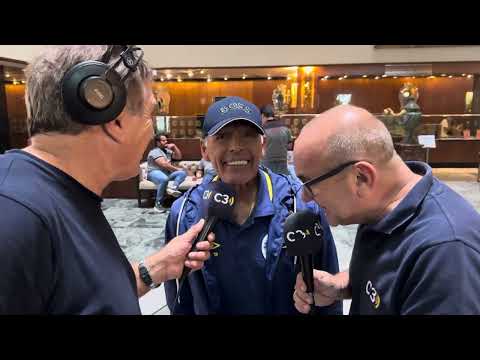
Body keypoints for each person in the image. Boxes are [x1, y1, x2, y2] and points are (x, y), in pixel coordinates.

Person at [0, 45, 213, 314]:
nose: (150, 131)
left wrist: (154, 269)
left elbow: (84, 297)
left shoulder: (62, 195)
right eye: (149, 114)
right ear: (115, 120)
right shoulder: (13, 218)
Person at [292, 104, 480, 315]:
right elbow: (385, 279)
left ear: (361, 177)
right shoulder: (378, 209)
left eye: (310, 183)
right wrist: (340, 286)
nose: (305, 196)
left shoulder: (446, 253)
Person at [164, 96, 342, 315]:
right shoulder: (184, 213)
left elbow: (329, 295)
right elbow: (180, 299)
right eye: (223, 137)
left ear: (263, 145)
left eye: (248, 135)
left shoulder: (301, 207)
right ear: (204, 150)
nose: (236, 146)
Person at [147, 133, 187, 212]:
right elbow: (164, 164)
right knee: (164, 179)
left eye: (166, 140)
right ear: (158, 142)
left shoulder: (167, 151)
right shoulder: (155, 151)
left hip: (166, 173)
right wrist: (177, 169)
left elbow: (179, 157)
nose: (166, 141)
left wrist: (174, 147)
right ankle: (158, 204)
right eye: (163, 140)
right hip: (154, 172)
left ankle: (173, 188)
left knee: (182, 173)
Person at [260, 104, 292, 176]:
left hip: (266, 166)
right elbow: (289, 146)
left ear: (262, 115)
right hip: (283, 166)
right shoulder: (285, 128)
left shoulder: (261, 130)